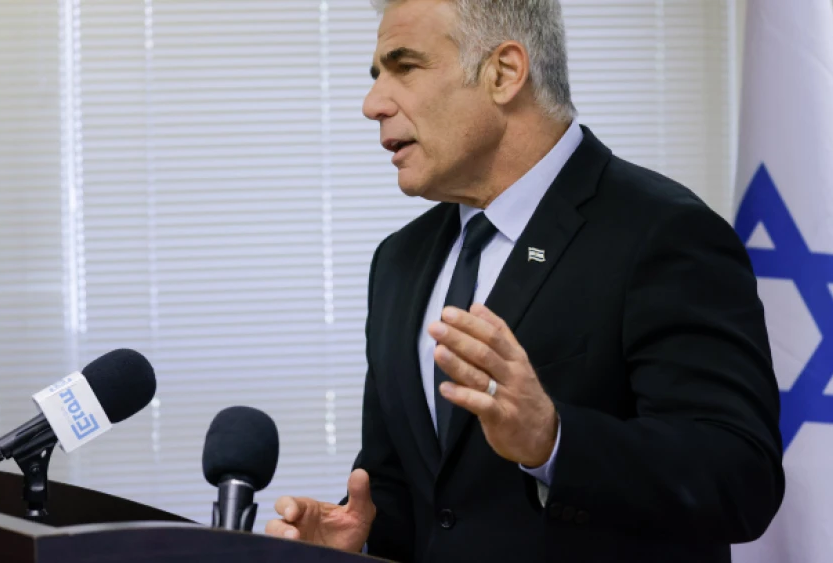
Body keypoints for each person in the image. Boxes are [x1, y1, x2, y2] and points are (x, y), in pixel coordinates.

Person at [264, 0, 785, 561]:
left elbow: (741, 477)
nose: (372, 104)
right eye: (376, 75)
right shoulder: (399, 260)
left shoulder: (664, 232)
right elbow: (414, 490)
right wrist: (355, 540)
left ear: (504, 73)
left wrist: (554, 441)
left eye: (405, 66)